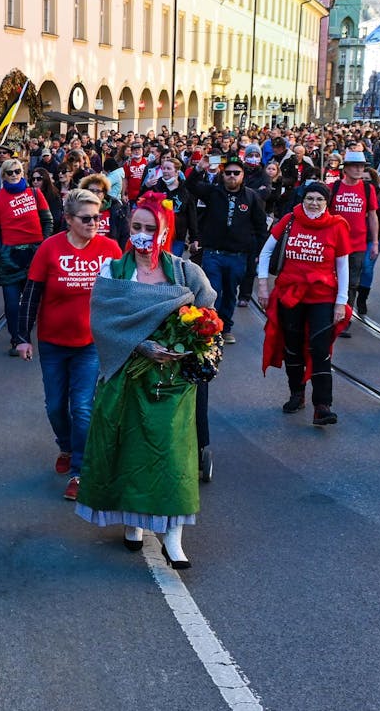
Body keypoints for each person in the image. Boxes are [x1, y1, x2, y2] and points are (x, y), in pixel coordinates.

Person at [79, 195, 217, 566]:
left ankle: (174, 537)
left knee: (171, 456)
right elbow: (103, 322)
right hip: (126, 375)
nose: (142, 235)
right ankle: (134, 524)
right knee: (127, 452)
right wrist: (141, 345)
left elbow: (208, 316)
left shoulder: (187, 273)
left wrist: (193, 342)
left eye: (150, 228)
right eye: (136, 227)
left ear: (165, 230)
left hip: (171, 383)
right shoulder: (113, 272)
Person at [15, 189, 124, 502]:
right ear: (68, 220)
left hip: (89, 344)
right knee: (55, 406)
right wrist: (23, 337)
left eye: (98, 218)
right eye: (86, 219)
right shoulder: (50, 249)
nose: (94, 224)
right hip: (52, 343)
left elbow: (121, 294)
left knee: (83, 407)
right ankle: (66, 444)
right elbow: (31, 295)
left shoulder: (110, 249)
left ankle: (79, 470)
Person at [255, 182, 351, 426]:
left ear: (327, 202)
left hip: (322, 296)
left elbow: (343, 265)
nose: (314, 203)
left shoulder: (337, 226)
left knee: (320, 349)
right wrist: (263, 286)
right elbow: (266, 253)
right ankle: (296, 394)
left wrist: (341, 302)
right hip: (290, 293)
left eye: (320, 199)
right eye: (310, 198)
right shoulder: (289, 220)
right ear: (303, 199)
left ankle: (322, 405)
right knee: (293, 347)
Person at [190, 157, 266, 345]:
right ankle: (211, 328)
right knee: (213, 291)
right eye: (228, 173)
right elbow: (190, 186)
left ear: (243, 175)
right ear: (223, 174)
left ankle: (226, 327)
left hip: (238, 256)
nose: (232, 176)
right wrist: (200, 167)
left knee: (231, 292)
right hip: (213, 253)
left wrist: (258, 254)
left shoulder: (251, 197)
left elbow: (261, 227)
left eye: (236, 173)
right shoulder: (213, 192)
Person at [0, 160, 50, 345]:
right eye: (9, 172)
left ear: (22, 173)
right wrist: (1, 253)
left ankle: (31, 333)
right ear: (3, 175)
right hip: (10, 257)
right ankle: (17, 338)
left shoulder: (35, 194)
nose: (14, 175)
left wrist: (44, 245)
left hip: (35, 255)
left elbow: (47, 221)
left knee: (35, 301)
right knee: (12, 304)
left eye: (17, 171)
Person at [329, 151, 380, 333]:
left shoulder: (368, 189)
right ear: (346, 168)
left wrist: (375, 242)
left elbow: (373, 216)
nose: (360, 169)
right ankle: (328, 312)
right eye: (355, 166)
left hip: (357, 244)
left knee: (352, 283)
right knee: (331, 280)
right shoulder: (334, 187)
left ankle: (344, 317)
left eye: (362, 166)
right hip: (334, 244)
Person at [143, 158, 197, 257]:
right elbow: (142, 204)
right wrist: (146, 187)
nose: (165, 171)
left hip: (178, 237)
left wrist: (194, 238)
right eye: (163, 168)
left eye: (168, 168)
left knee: (172, 265)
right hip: (158, 235)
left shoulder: (185, 189)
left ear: (177, 172)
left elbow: (191, 215)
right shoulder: (156, 186)